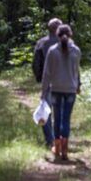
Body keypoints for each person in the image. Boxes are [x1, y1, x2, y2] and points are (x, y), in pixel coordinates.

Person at [39, 24, 81, 161]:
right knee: (66, 119)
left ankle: (57, 149)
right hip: (70, 89)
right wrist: (78, 85)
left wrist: (43, 91)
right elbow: (76, 71)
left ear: (57, 35)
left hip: (56, 89)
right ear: (70, 35)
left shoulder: (52, 51)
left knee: (56, 118)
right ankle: (65, 150)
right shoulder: (76, 51)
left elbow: (47, 73)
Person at [32, 18, 62, 149]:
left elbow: (36, 64)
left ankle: (50, 140)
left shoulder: (41, 43)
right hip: (63, 81)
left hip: (48, 81)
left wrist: (39, 78)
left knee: (46, 110)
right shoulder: (65, 43)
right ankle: (60, 139)